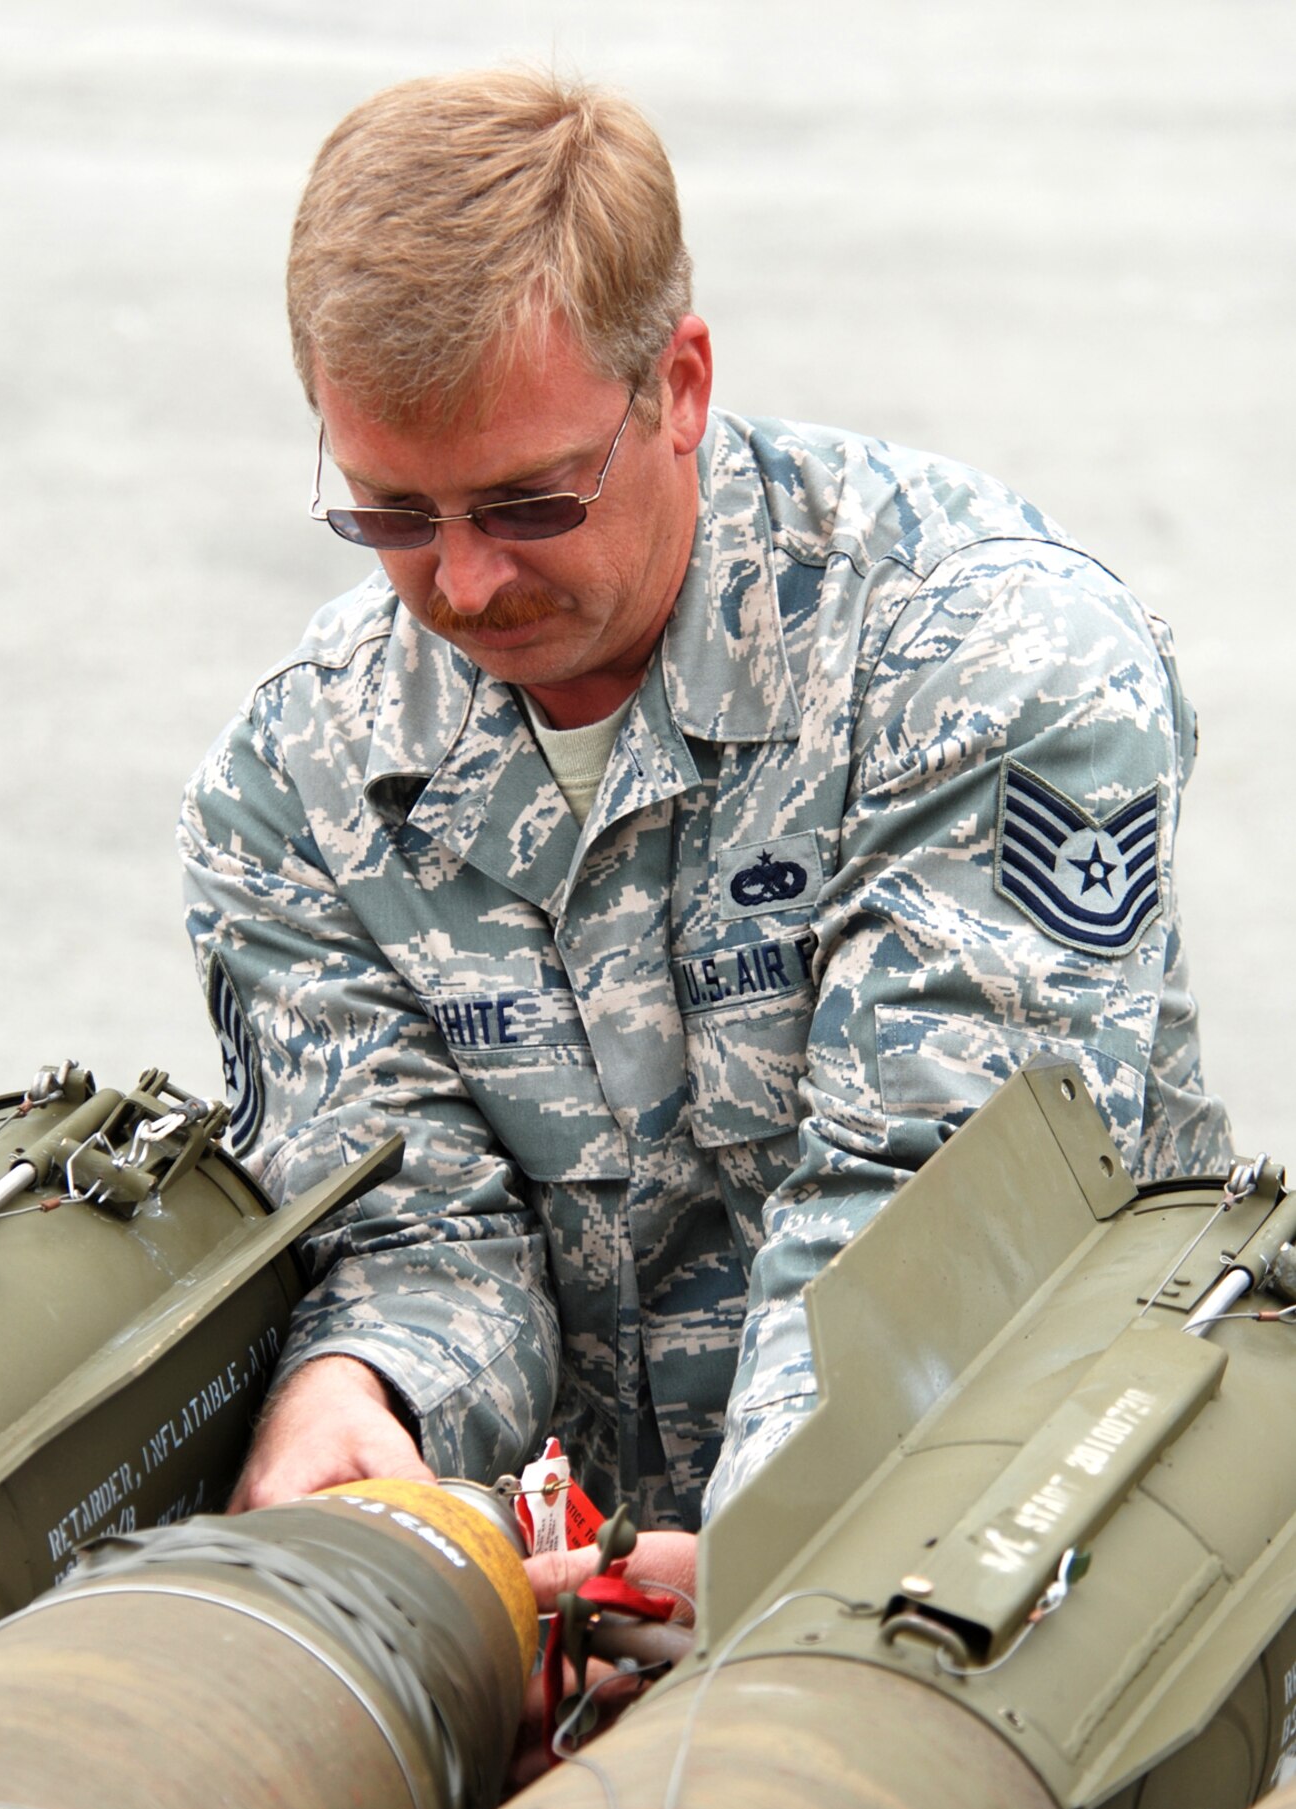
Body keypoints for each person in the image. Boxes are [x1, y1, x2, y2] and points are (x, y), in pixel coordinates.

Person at [180, 69, 1232, 1610]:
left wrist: (769, 1576)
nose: (464, 586)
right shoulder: (298, 786)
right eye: (391, 514)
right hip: (573, 1622)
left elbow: (931, 1213)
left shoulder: (981, 658)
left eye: (528, 502)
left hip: (1032, 1592)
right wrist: (364, 1394)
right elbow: (419, 1232)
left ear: (676, 385)